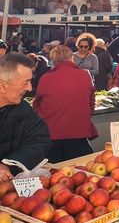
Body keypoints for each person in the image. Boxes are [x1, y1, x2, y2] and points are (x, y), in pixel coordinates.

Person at [33, 45, 97, 163]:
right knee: (81, 171)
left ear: (53, 61)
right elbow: (91, 104)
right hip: (79, 134)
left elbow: (36, 104)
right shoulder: (84, 76)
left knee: (52, 173)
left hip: (51, 135)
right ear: (71, 58)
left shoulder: (45, 78)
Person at [0, 53, 50, 181]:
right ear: (2, 86)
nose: (30, 88)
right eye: (25, 82)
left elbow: (39, 140)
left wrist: (8, 165)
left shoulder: (23, 110)